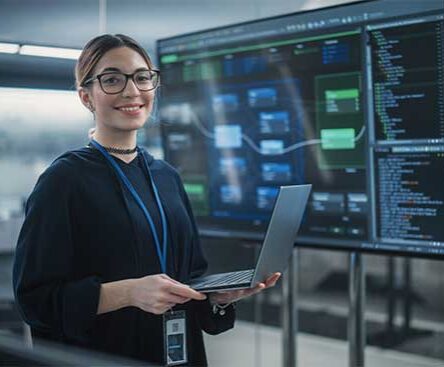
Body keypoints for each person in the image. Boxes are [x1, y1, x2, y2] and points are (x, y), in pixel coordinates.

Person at [12, 34, 280, 366]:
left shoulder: (167, 177)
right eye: (112, 80)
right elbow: (35, 302)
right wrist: (128, 293)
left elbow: (191, 275)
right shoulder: (63, 181)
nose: (132, 91)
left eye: (142, 77)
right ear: (86, 97)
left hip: (178, 353)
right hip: (105, 355)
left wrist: (217, 297)